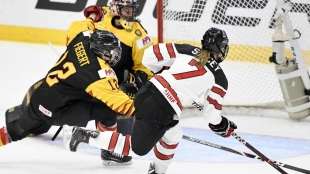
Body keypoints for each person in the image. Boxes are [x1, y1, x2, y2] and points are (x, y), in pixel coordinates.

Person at [67, 27, 238, 173]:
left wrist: (152, 75)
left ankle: (156, 171)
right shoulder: (220, 79)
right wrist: (223, 125)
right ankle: (87, 136)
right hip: (163, 108)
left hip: (148, 90)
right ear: (222, 49)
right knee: (137, 149)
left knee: (173, 134)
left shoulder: (187, 49)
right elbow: (211, 116)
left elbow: (151, 55)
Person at [0, 29, 135, 164]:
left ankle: (27, 122)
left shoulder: (82, 38)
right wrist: (146, 105)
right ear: (102, 52)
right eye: (111, 53)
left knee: (20, 126)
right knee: (107, 111)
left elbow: (87, 28)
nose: (115, 57)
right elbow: (124, 106)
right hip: (56, 109)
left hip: (42, 92)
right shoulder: (98, 75)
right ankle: (109, 151)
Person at [66, 0, 153, 136]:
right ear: (115, 9)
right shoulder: (102, 14)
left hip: (114, 80)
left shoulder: (139, 35)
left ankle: (111, 135)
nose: (130, 14)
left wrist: (139, 79)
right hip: (90, 69)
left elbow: (144, 65)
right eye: (126, 10)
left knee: (125, 95)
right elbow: (81, 33)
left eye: (131, 10)